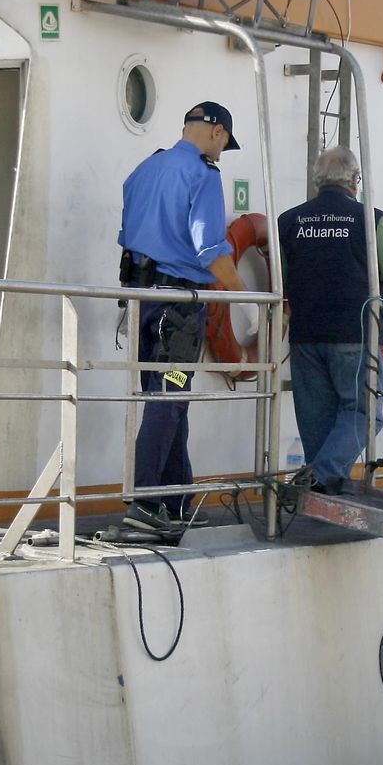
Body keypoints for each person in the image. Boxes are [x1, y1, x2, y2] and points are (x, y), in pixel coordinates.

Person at [118, 101, 247, 542]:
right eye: (225, 143)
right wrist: (248, 298)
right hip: (176, 307)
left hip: (139, 302)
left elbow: (129, 229)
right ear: (215, 133)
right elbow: (210, 248)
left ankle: (174, 501)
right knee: (168, 400)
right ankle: (146, 501)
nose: (222, 152)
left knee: (171, 399)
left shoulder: (147, 167)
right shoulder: (203, 175)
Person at [279, 146, 383, 494]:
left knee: (316, 419)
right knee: (366, 412)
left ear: (317, 180)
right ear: (355, 181)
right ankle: (322, 477)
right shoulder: (368, 219)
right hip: (356, 331)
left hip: (305, 334)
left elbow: (281, 278)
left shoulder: (290, 221)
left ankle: (320, 492)